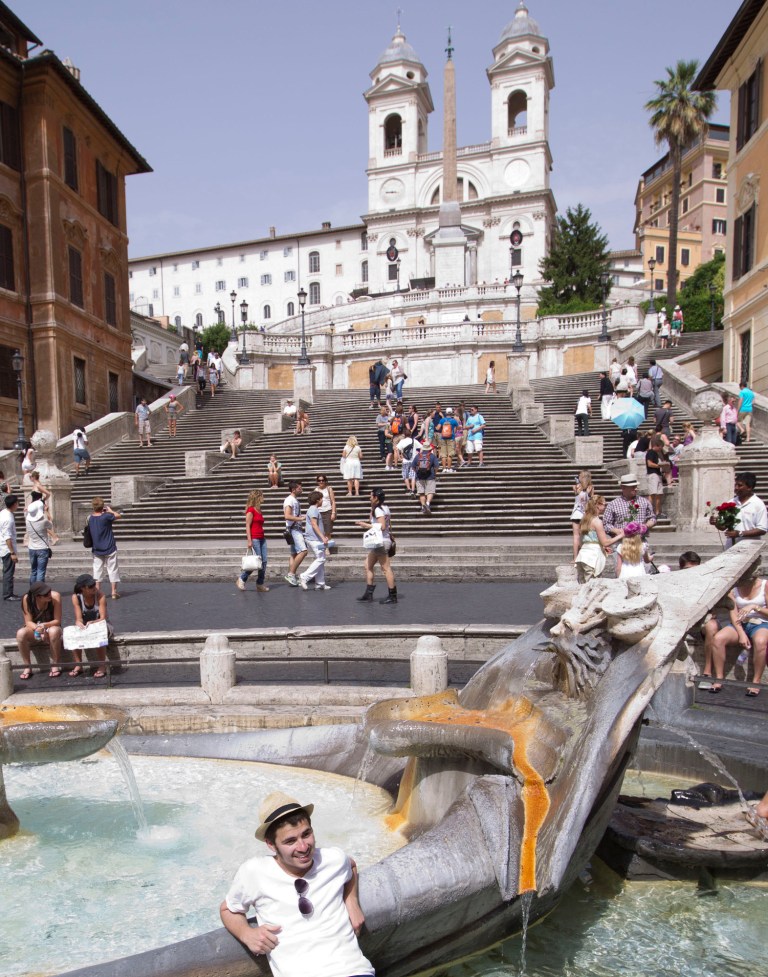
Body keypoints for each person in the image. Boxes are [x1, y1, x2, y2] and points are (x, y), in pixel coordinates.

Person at [220, 792, 371, 977]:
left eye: (306, 834)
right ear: (271, 844)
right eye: (290, 841)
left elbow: (352, 866)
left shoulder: (333, 859)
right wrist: (246, 933)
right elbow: (228, 909)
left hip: (351, 970)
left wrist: (352, 901)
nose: (303, 847)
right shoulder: (254, 872)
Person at [709, 570, 768, 696]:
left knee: (760, 642)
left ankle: (756, 681)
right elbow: (733, 612)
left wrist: (754, 606)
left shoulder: (765, 585)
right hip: (739, 623)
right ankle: (719, 678)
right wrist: (741, 633)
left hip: (761, 622)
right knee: (718, 639)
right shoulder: (734, 588)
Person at [356, 486, 397, 603]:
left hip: (381, 542)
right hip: (382, 540)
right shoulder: (385, 508)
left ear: (376, 497)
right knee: (367, 565)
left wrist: (364, 525)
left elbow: (382, 526)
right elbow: (389, 524)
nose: (370, 498)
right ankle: (369, 593)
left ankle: (392, 595)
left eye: (371, 496)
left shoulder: (378, 510)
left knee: (386, 569)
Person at [16, 581, 64, 680]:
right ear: (37, 596)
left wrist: (44, 626)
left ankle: (55, 664)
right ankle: (27, 666)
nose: (49, 595)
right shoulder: (27, 599)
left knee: (53, 632)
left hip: (51, 625)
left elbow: (57, 620)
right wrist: (39, 629)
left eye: (49, 591)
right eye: (46, 594)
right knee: (20, 634)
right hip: (34, 628)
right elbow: (28, 621)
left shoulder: (55, 597)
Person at [70, 573, 111, 678]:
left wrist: (93, 622)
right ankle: (78, 664)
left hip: (102, 625)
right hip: (86, 626)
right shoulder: (76, 597)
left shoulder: (100, 595)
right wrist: (78, 622)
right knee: (73, 633)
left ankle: (102, 665)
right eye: (91, 586)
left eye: (94, 584)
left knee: (98, 632)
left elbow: (103, 617)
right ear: (82, 588)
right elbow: (78, 618)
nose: (94, 587)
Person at [714, 472, 768, 549]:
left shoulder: (758, 504)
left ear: (749, 487)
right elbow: (723, 527)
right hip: (731, 547)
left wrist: (740, 533)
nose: (736, 488)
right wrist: (716, 522)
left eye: (740, 485)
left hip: (750, 548)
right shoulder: (731, 503)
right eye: (735, 485)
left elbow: (762, 529)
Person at [575, 496, 619, 583]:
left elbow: (582, 541)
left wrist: (601, 546)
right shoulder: (597, 521)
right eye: (604, 504)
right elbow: (605, 542)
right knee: (592, 586)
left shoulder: (584, 520)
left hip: (582, 556)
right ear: (598, 505)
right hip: (592, 557)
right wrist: (620, 535)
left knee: (582, 585)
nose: (605, 507)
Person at [87, 497, 122, 599]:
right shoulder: (107, 516)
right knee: (113, 569)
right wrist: (110, 511)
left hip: (97, 548)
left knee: (97, 570)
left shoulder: (90, 518)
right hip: (109, 546)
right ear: (102, 506)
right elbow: (118, 516)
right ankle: (113, 592)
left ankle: (97, 591)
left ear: (93, 507)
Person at [236, 490, 269, 593]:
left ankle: (260, 583)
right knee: (257, 562)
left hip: (262, 538)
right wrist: (249, 540)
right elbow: (247, 525)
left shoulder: (259, 509)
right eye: (262, 496)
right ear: (257, 497)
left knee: (264, 562)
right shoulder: (251, 510)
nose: (263, 497)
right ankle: (241, 579)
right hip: (254, 538)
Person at [299, 490, 330, 590]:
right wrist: (322, 537)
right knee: (321, 559)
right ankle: (305, 576)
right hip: (314, 538)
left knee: (320, 558)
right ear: (318, 500)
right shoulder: (313, 510)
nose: (322, 501)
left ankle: (320, 583)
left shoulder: (313, 509)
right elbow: (314, 524)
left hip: (314, 538)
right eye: (322, 499)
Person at [283, 481, 307, 587]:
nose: (301, 490)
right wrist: (300, 518)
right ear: (293, 490)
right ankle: (291, 574)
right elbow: (287, 516)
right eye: (299, 488)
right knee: (303, 551)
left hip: (295, 528)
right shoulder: (290, 500)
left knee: (294, 554)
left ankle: (292, 577)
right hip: (294, 529)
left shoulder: (294, 500)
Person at [25, 499, 53, 584]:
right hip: (42, 548)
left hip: (31, 548)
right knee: (40, 571)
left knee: (33, 571)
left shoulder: (27, 521)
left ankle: (33, 590)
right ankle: (39, 591)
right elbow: (51, 524)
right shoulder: (43, 521)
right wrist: (46, 511)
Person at [1, 494, 20, 601]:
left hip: (4, 547)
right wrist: (12, 553)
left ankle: (8, 592)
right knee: (8, 572)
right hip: (7, 549)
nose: (18, 505)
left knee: (7, 571)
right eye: (17, 503)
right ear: (13, 504)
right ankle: (8, 594)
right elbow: (7, 537)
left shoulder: (4, 513)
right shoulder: (8, 518)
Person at [571, 471, 593, 561]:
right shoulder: (590, 487)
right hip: (585, 514)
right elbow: (592, 500)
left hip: (576, 513)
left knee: (576, 536)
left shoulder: (576, 487)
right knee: (584, 535)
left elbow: (577, 497)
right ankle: (583, 557)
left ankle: (575, 558)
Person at [413, 442, 438, 514]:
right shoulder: (432, 456)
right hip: (430, 476)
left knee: (421, 493)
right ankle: (427, 503)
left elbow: (413, 467)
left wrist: (417, 472)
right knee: (430, 491)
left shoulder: (418, 456)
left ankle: (423, 507)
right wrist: (435, 473)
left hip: (419, 477)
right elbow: (436, 466)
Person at [645, 436, 665, 517]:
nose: (661, 449)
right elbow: (649, 463)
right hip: (653, 474)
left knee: (659, 494)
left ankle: (657, 512)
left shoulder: (656, 454)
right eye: (660, 447)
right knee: (652, 493)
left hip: (657, 474)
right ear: (656, 445)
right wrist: (659, 465)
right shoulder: (650, 452)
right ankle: (649, 512)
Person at [315, 475, 336, 550]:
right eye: (319, 480)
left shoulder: (329, 488)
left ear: (325, 481)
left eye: (323, 480)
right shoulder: (316, 490)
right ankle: (324, 546)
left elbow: (333, 501)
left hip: (328, 510)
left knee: (327, 531)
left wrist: (333, 512)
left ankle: (327, 548)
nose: (321, 482)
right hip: (319, 511)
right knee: (321, 530)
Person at [438, 407, 459, 472]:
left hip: (443, 438)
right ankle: (449, 468)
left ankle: (444, 468)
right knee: (450, 454)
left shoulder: (442, 420)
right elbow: (458, 428)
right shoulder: (453, 421)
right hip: (451, 438)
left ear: (446, 413)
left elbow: (438, 428)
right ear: (451, 413)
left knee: (443, 454)